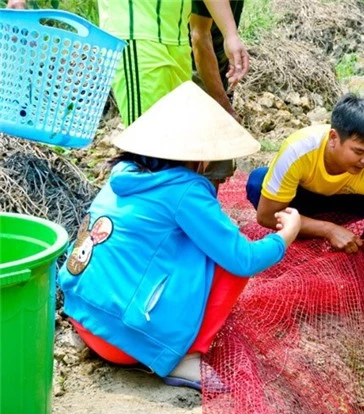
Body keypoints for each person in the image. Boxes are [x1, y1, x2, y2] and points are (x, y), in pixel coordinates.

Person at [58, 81, 301, 391]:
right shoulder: (185, 189)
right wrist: (284, 238)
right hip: (125, 343)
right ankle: (186, 358)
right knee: (225, 258)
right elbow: (244, 260)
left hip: (83, 318)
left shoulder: (123, 176)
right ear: (200, 156)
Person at [245, 93, 364, 353]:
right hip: (304, 202)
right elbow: (265, 216)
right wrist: (327, 229)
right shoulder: (298, 149)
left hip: (350, 202)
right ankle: (307, 237)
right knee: (258, 182)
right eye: (359, 151)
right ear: (333, 139)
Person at [96, 0, 249, 126]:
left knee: (178, 141)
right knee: (147, 140)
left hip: (178, 40)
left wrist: (231, 35)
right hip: (138, 35)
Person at [190, 0, 246, 184]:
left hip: (216, 70)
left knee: (217, 159)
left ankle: (206, 209)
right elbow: (199, 36)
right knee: (195, 157)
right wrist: (222, 104)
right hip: (196, 69)